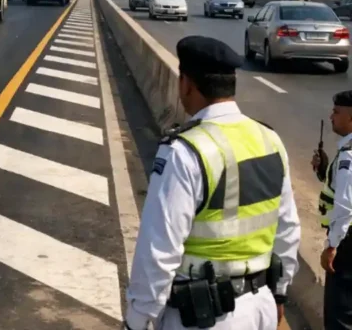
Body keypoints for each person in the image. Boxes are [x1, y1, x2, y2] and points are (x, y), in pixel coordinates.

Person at [124, 35, 301, 330]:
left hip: (206, 317)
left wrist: (138, 320)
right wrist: (280, 291)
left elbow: (159, 251)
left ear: (186, 84)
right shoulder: (270, 140)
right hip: (261, 309)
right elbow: (288, 229)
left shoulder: (184, 152)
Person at [314, 90, 352, 329]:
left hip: (347, 244)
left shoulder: (348, 157)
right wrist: (324, 171)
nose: (331, 117)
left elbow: (345, 206)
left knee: (340, 314)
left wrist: (332, 245)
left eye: (337, 112)